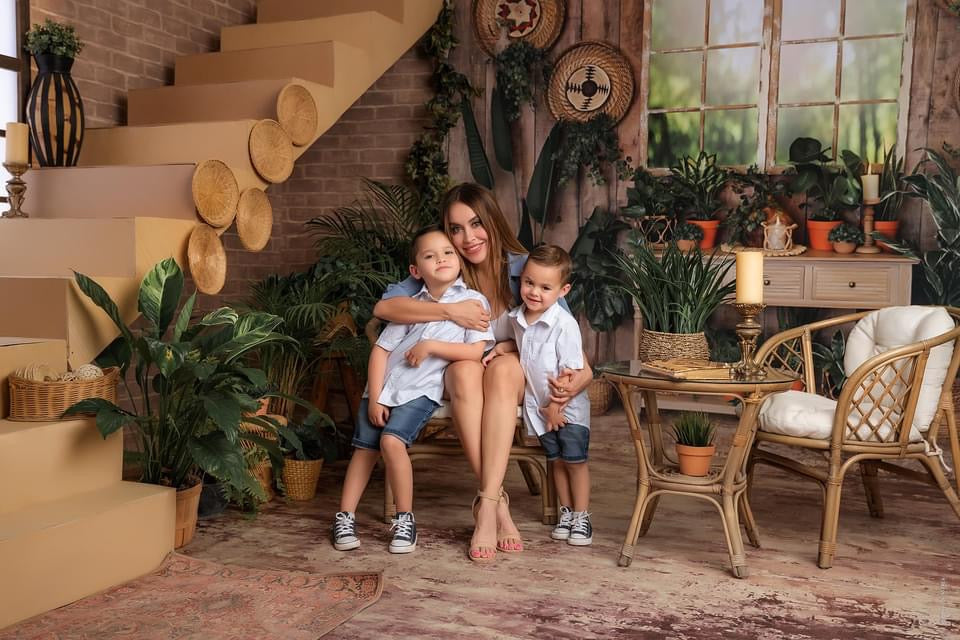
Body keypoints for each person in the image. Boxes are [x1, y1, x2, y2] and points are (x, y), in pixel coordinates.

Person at [373, 183, 593, 562]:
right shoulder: (444, 264)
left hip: (511, 373)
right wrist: (448, 311)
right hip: (460, 370)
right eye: (456, 229)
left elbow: (569, 340)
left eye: (476, 224)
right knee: (463, 371)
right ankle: (496, 504)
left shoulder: (524, 269)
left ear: (492, 221)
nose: (468, 238)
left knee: (503, 368)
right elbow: (385, 308)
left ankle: (487, 502)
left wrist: (578, 380)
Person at [333, 225, 493, 554]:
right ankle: (344, 517)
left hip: (421, 391)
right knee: (364, 449)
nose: (441, 259)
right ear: (415, 270)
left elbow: (475, 352)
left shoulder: (473, 302)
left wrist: (431, 346)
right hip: (383, 387)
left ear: (460, 260)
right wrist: (374, 396)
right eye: (430, 256)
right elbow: (381, 351)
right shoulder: (409, 304)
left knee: (391, 441)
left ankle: (404, 520)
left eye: (448, 252)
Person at [483, 245, 593, 545]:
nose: (534, 292)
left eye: (545, 287)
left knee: (575, 462)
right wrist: (502, 348)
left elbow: (570, 372)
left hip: (566, 411)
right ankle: (565, 512)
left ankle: (582, 516)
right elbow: (523, 344)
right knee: (555, 461)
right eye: (529, 282)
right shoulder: (518, 318)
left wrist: (556, 408)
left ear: (562, 291)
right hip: (541, 410)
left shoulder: (564, 325)